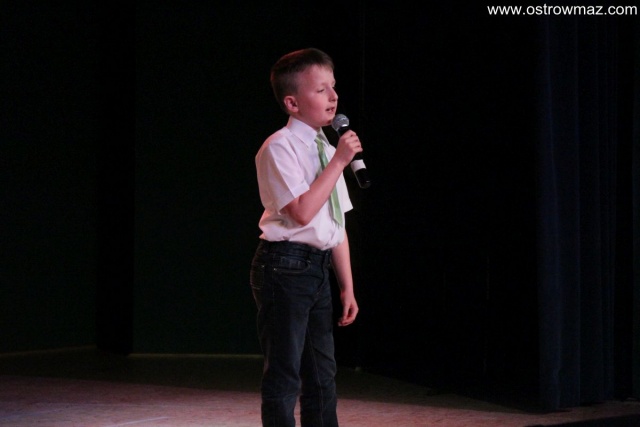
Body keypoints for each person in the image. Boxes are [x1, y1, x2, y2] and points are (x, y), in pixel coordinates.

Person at [249, 47, 361, 427]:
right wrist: (339, 162)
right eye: (320, 89)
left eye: (334, 87)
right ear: (292, 103)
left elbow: (336, 222)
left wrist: (347, 286)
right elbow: (301, 212)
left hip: (317, 268)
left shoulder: (327, 148)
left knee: (322, 372)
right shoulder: (279, 147)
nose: (333, 97)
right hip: (284, 266)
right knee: (285, 372)